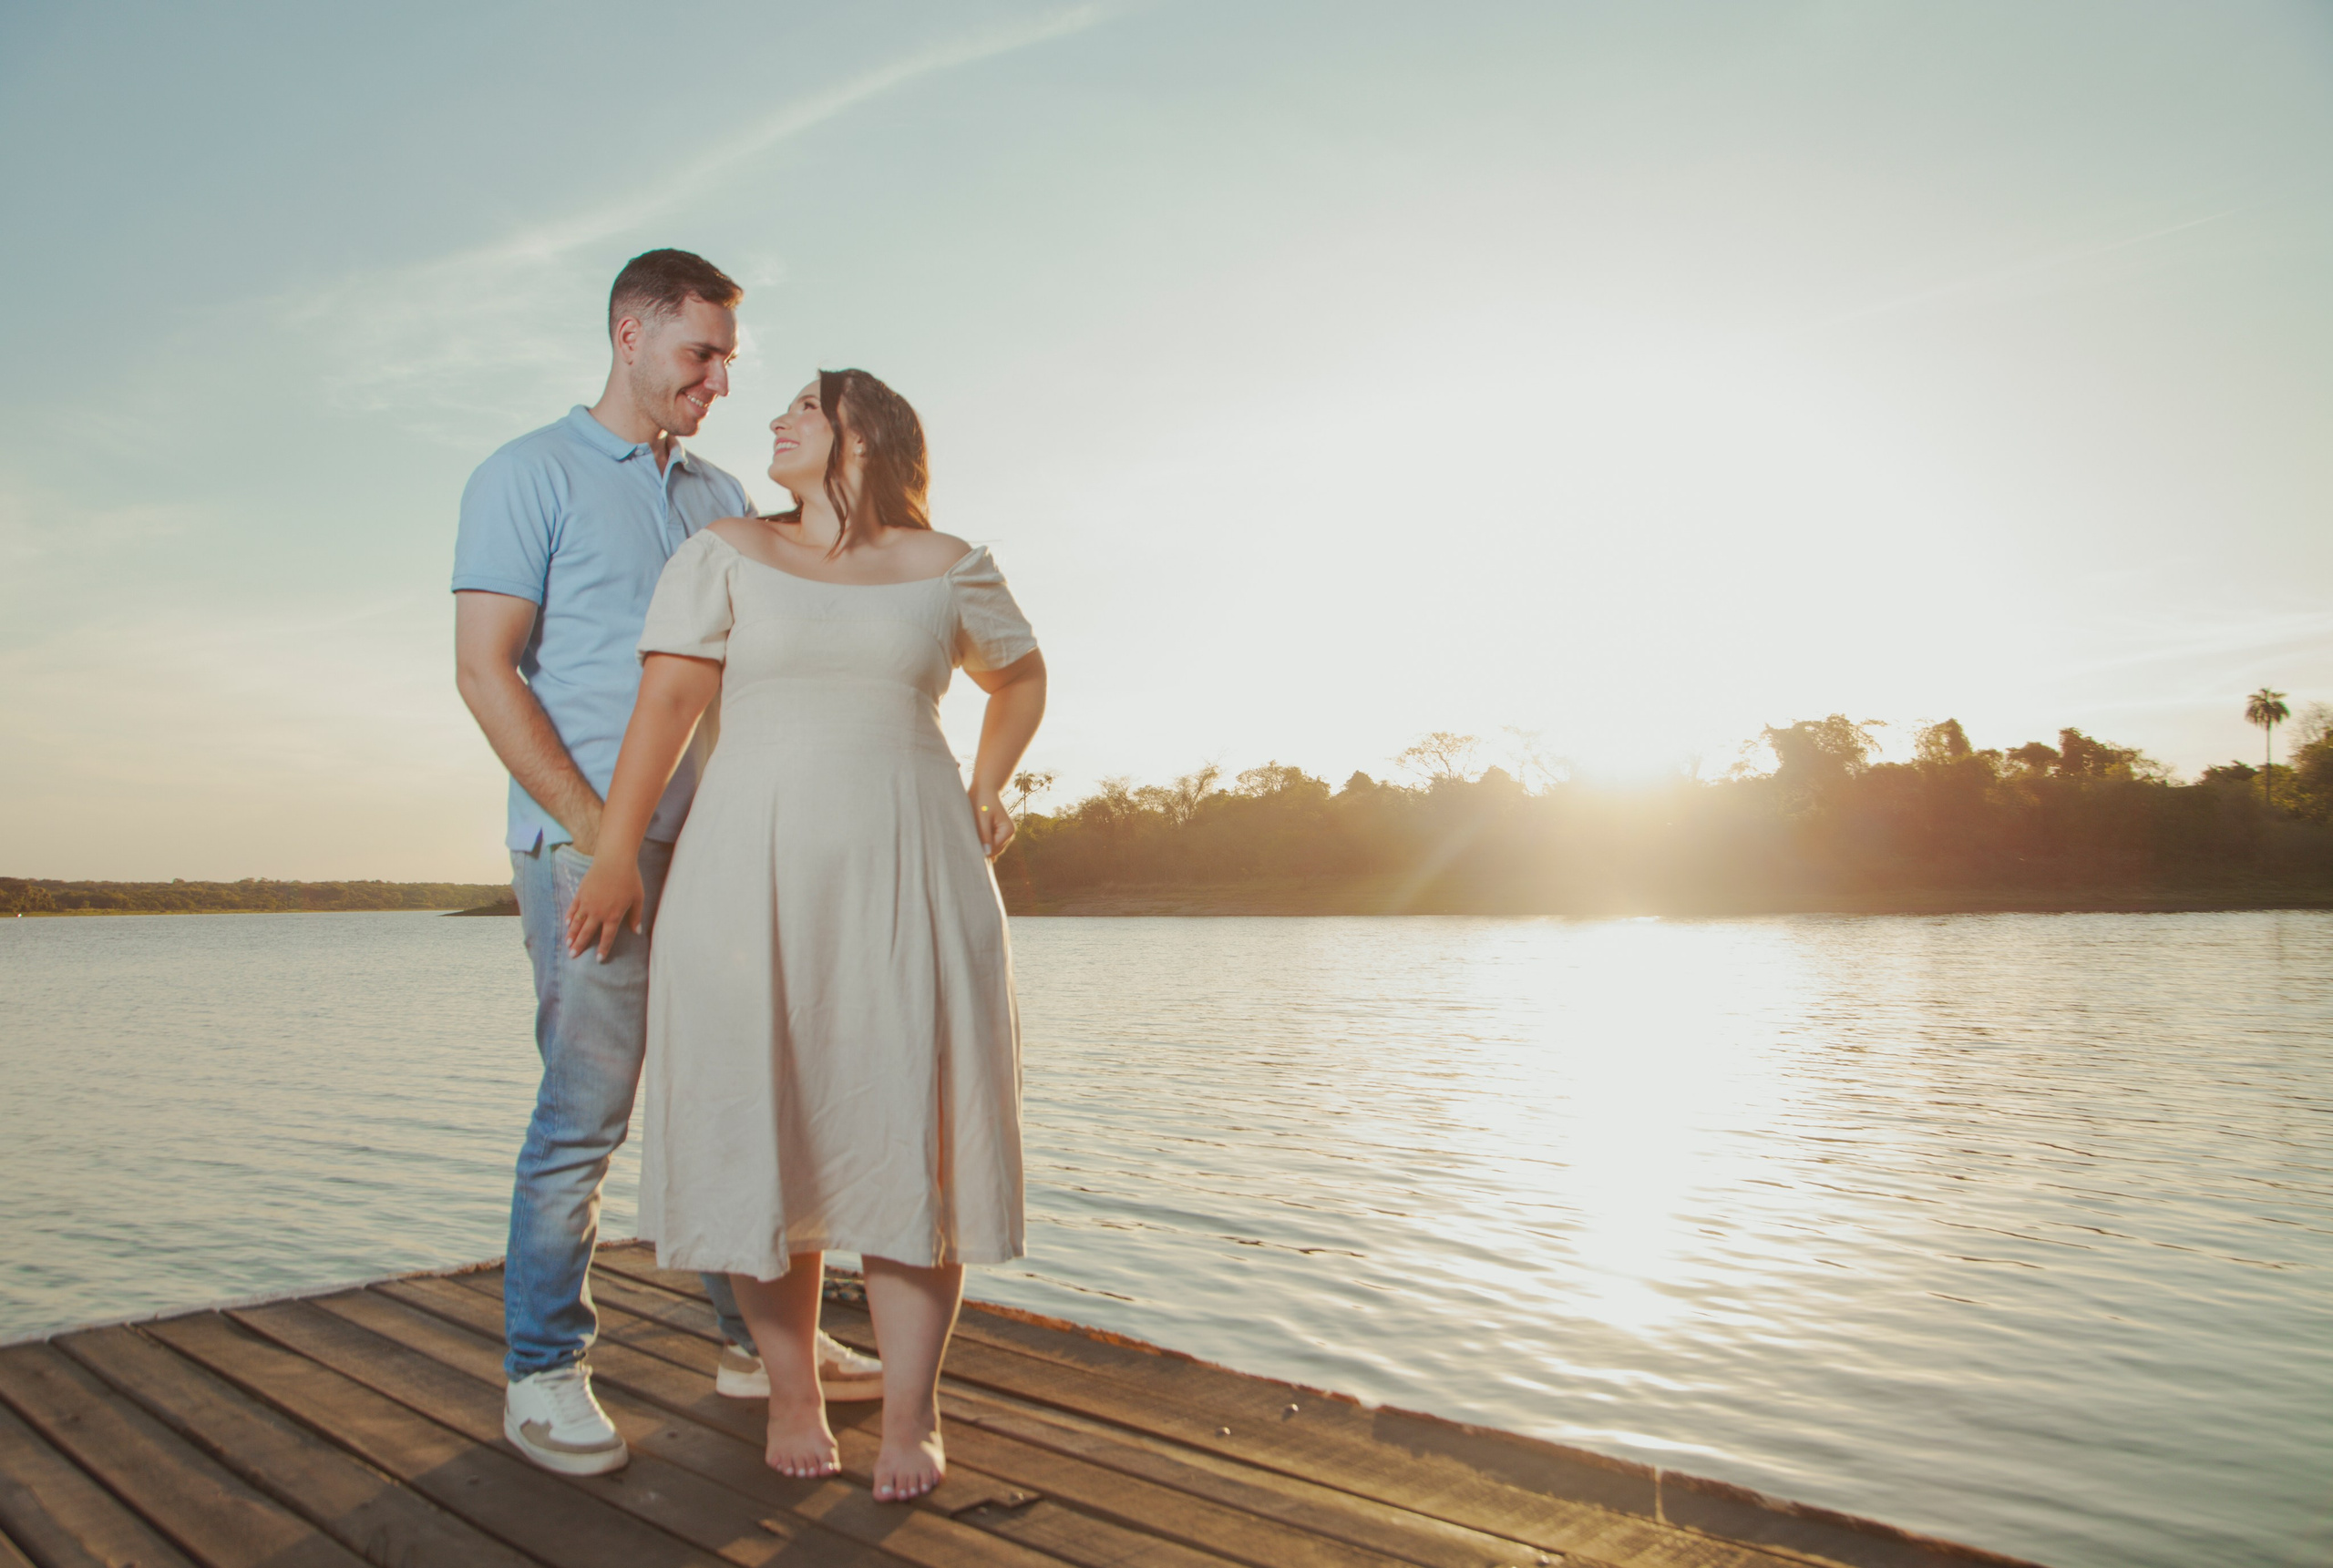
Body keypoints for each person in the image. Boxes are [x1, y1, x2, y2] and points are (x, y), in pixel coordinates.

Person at [565, 368, 1046, 1502]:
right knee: (762, 1127)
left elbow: (1020, 677)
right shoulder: (725, 551)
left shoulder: (949, 564)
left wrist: (988, 783)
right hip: (748, 876)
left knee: (910, 1129)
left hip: (913, 874)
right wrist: (614, 852)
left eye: (805, 408)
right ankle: (791, 1391)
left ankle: (914, 1412)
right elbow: (666, 707)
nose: (775, 420)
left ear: (865, 434)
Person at [451, 251, 879, 1479]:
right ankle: (541, 1370)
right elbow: (484, 670)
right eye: (702, 354)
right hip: (589, 849)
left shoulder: (721, 493)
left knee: (734, 1096)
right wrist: (602, 839)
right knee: (584, 1114)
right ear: (630, 334)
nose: (721, 381)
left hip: (717, 847)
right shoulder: (525, 474)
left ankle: (753, 1344)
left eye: (731, 359)